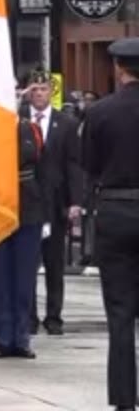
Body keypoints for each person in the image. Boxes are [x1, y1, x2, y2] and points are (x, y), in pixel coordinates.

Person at [82, 37, 139, 411]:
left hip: (117, 210)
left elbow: (90, 165)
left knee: (119, 313)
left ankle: (123, 397)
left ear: (119, 69)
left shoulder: (100, 112)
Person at [22, 69, 83, 336]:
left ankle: (54, 316)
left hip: (55, 200)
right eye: (34, 90)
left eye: (44, 89)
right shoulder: (19, 120)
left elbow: (74, 164)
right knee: (27, 263)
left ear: (52, 92)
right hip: (26, 201)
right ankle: (29, 316)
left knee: (54, 264)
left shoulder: (65, 123)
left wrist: (75, 201)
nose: (39, 94)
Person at [0, 110, 46, 360]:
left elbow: (44, 168)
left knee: (24, 278)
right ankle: (1, 337)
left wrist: (48, 211)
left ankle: (21, 337)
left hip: (28, 206)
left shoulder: (29, 128)